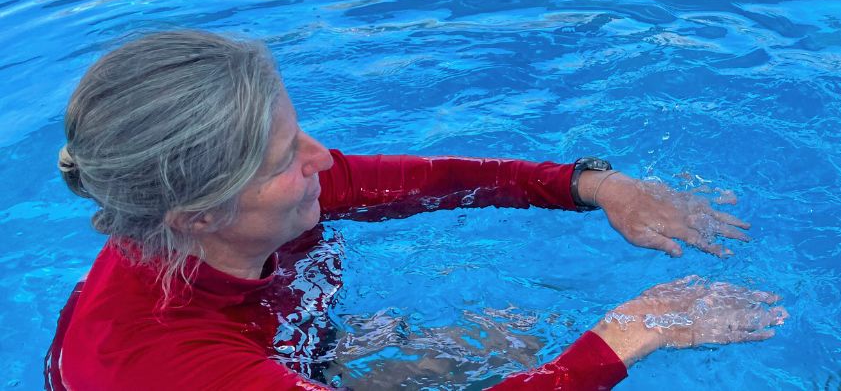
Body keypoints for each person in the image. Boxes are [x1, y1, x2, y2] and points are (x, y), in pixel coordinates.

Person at [44, 30, 787, 390]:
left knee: (499, 344)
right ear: (196, 215)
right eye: (284, 159)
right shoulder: (163, 363)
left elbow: (435, 181)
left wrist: (595, 186)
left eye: (298, 129)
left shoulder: (251, 203)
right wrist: (624, 337)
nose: (325, 160)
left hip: (279, 357)